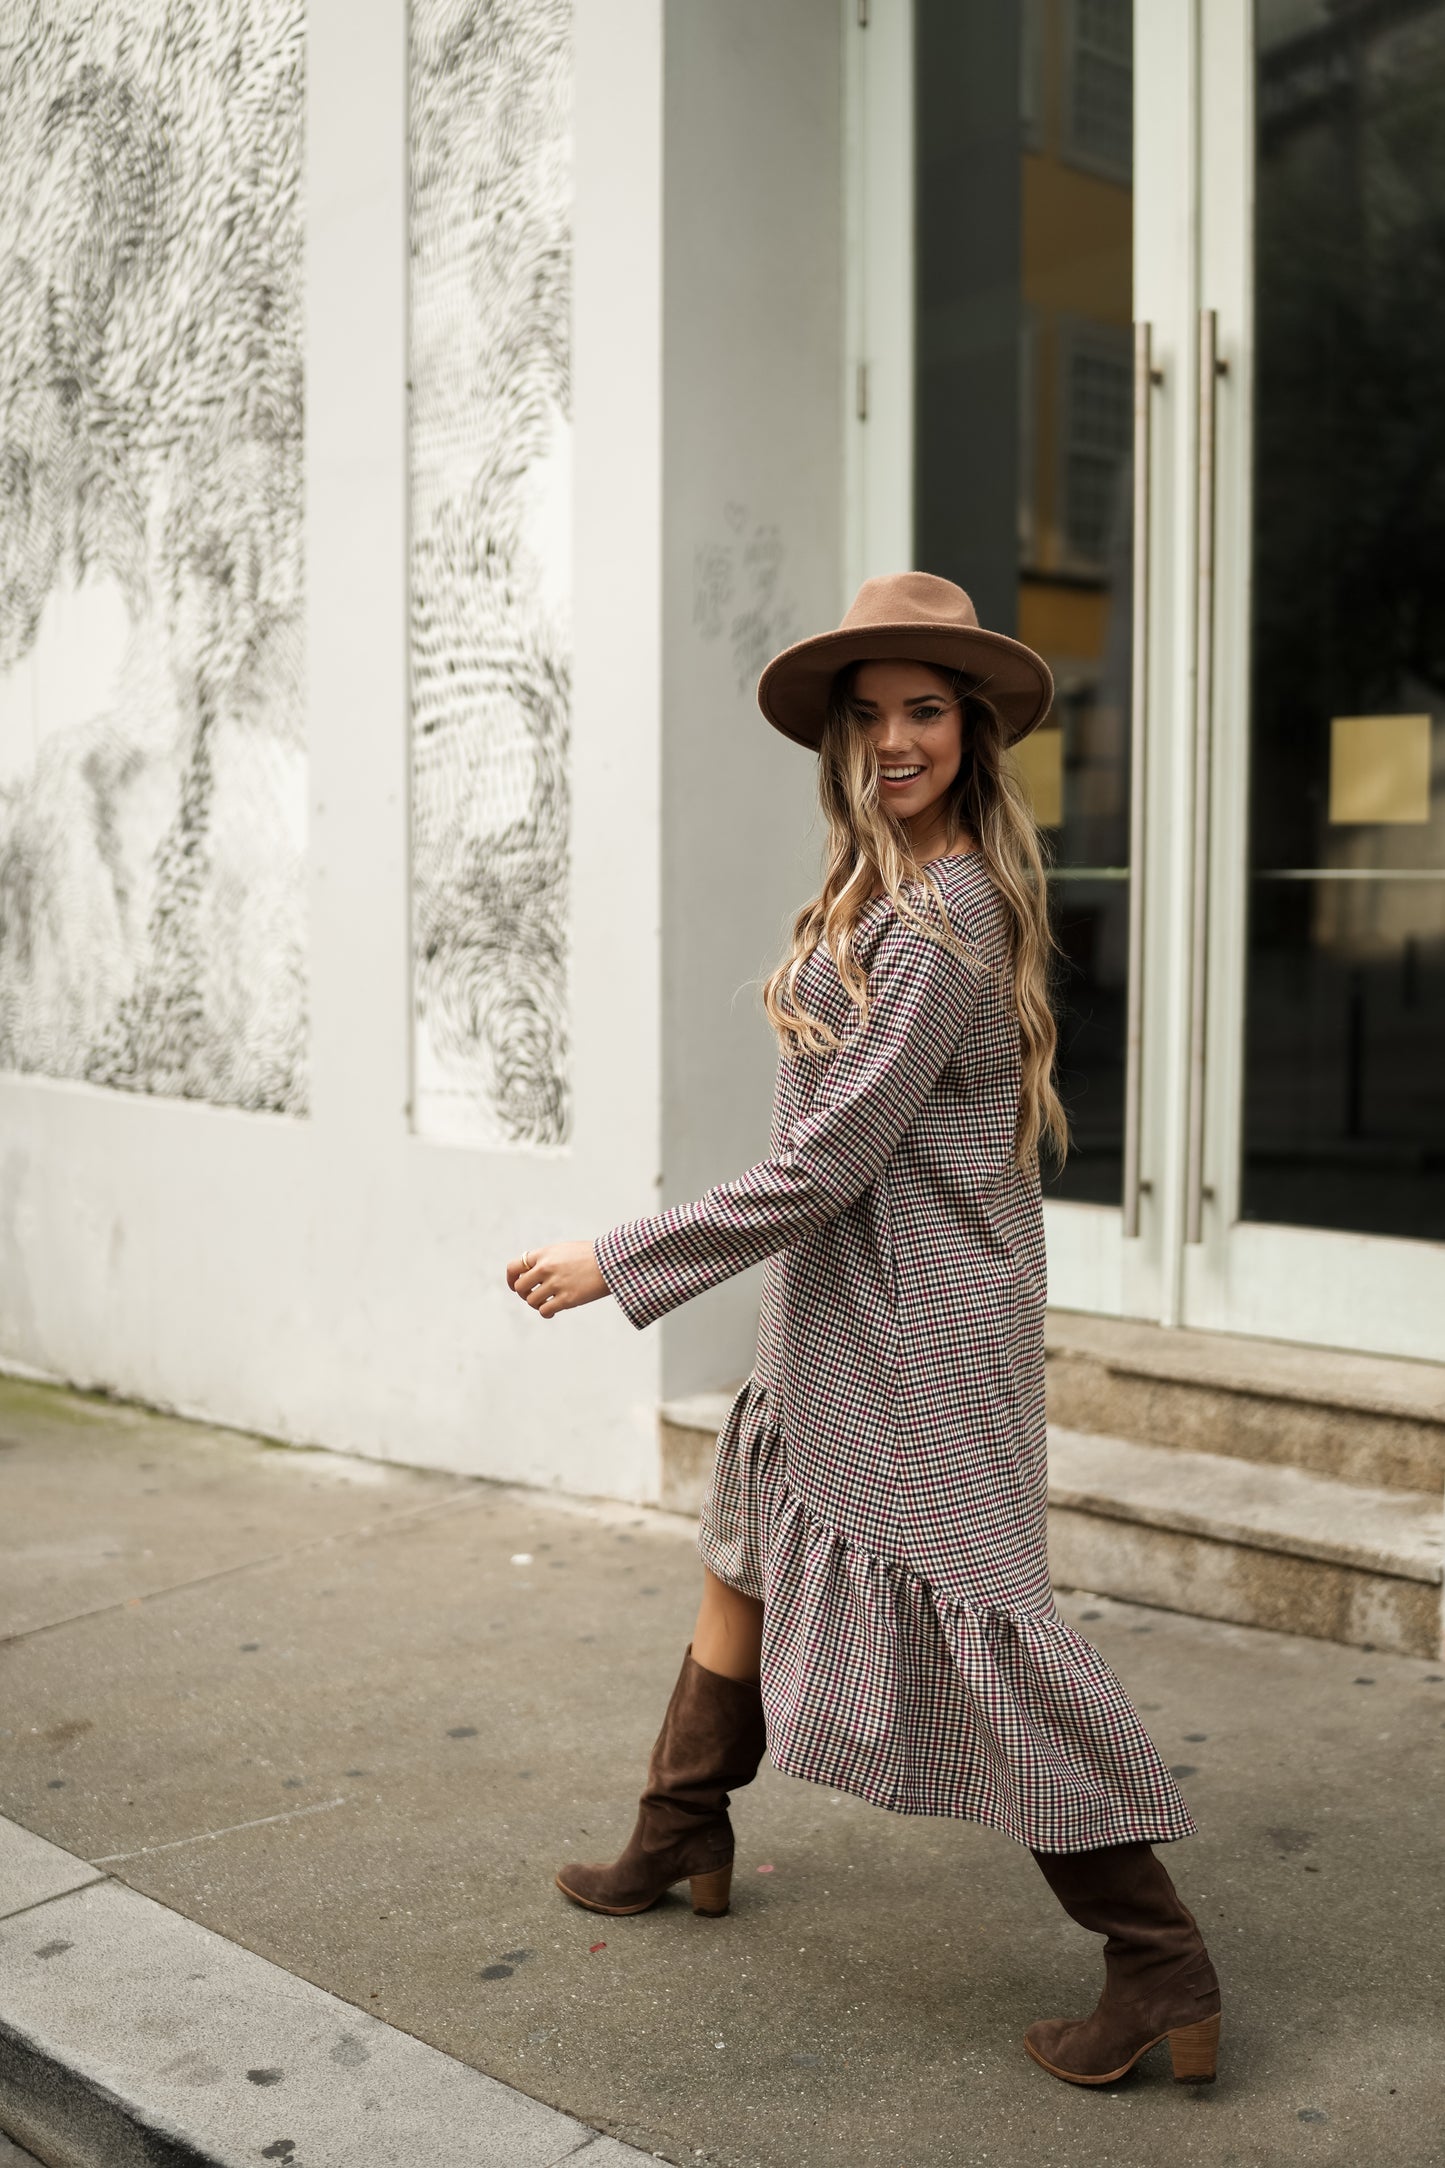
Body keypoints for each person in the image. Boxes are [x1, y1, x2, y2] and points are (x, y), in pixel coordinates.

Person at [505, 572, 1221, 2090]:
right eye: (871, 712)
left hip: (921, 1329)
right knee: (746, 1546)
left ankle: (1153, 1960)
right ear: (839, 735)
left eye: (926, 710)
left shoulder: (947, 910)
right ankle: (679, 1828)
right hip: (846, 1308)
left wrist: (616, 1259)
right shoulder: (875, 887)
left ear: (970, 731)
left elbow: (827, 1159)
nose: (896, 738)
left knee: (988, 1635)